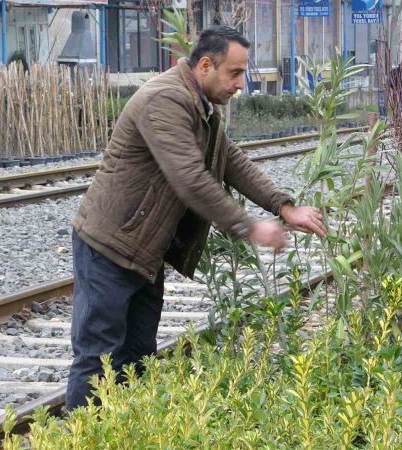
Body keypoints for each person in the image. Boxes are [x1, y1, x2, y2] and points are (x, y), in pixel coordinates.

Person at [66, 26, 326, 411]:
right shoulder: (166, 100)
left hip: (142, 250)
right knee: (97, 357)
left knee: (136, 358)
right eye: (235, 73)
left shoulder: (200, 105)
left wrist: (283, 206)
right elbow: (190, 179)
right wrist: (249, 227)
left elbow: (231, 162)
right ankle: (79, 436)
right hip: (109, 245)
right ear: (206, 65)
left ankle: (119, 434)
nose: (241, 84)